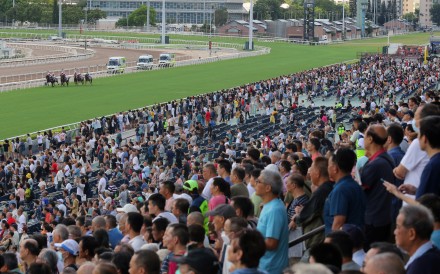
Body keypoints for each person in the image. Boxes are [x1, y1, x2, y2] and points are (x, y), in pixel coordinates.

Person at [360, 124, 395, 247]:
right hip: (383, 217)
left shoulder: (375, 164)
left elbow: (360, 189)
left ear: (370, 139)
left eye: (364, 136)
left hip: (373, 221)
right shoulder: (386, 158)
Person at [324, 148, 366, 234]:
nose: (327, 168)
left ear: (335, 168)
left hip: (344, 242)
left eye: (329, 165)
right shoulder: (354, 185)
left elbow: (338, 223)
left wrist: (330, 244)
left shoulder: (340, 190)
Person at [255, 169, 288, 274]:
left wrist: (249, 242)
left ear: (268, 188)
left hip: (271, 268)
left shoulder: (274, 210)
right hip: (265, 265)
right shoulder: (269, 205)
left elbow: (272, 243)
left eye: (258, 181)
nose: (255, 183)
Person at [296, 157, 333, 249]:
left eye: (311, 170)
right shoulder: (330, 186)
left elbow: (304, 215)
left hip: (320, 238)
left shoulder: (321, 191)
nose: (309, 173)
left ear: (317, 173)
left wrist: (298, 214)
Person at [395, 204, 440, 274]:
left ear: (412, 233)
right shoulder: (433, 253)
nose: (395, 232)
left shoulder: (420, 268)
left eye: (398, 227)